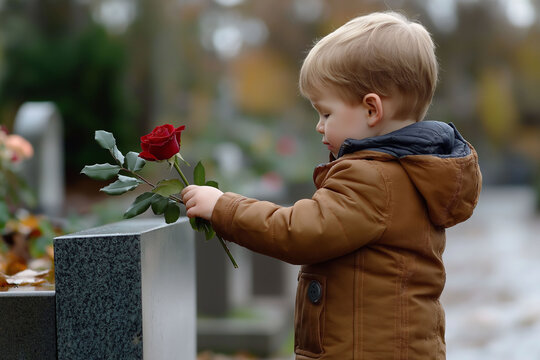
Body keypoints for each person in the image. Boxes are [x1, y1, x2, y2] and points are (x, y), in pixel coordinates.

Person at [181, 11, 481, 359]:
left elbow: (297, 232)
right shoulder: (408, 172)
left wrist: (223, 207)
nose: (319, 126)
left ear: (371, 110)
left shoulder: (373, 178)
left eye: (326, 113)